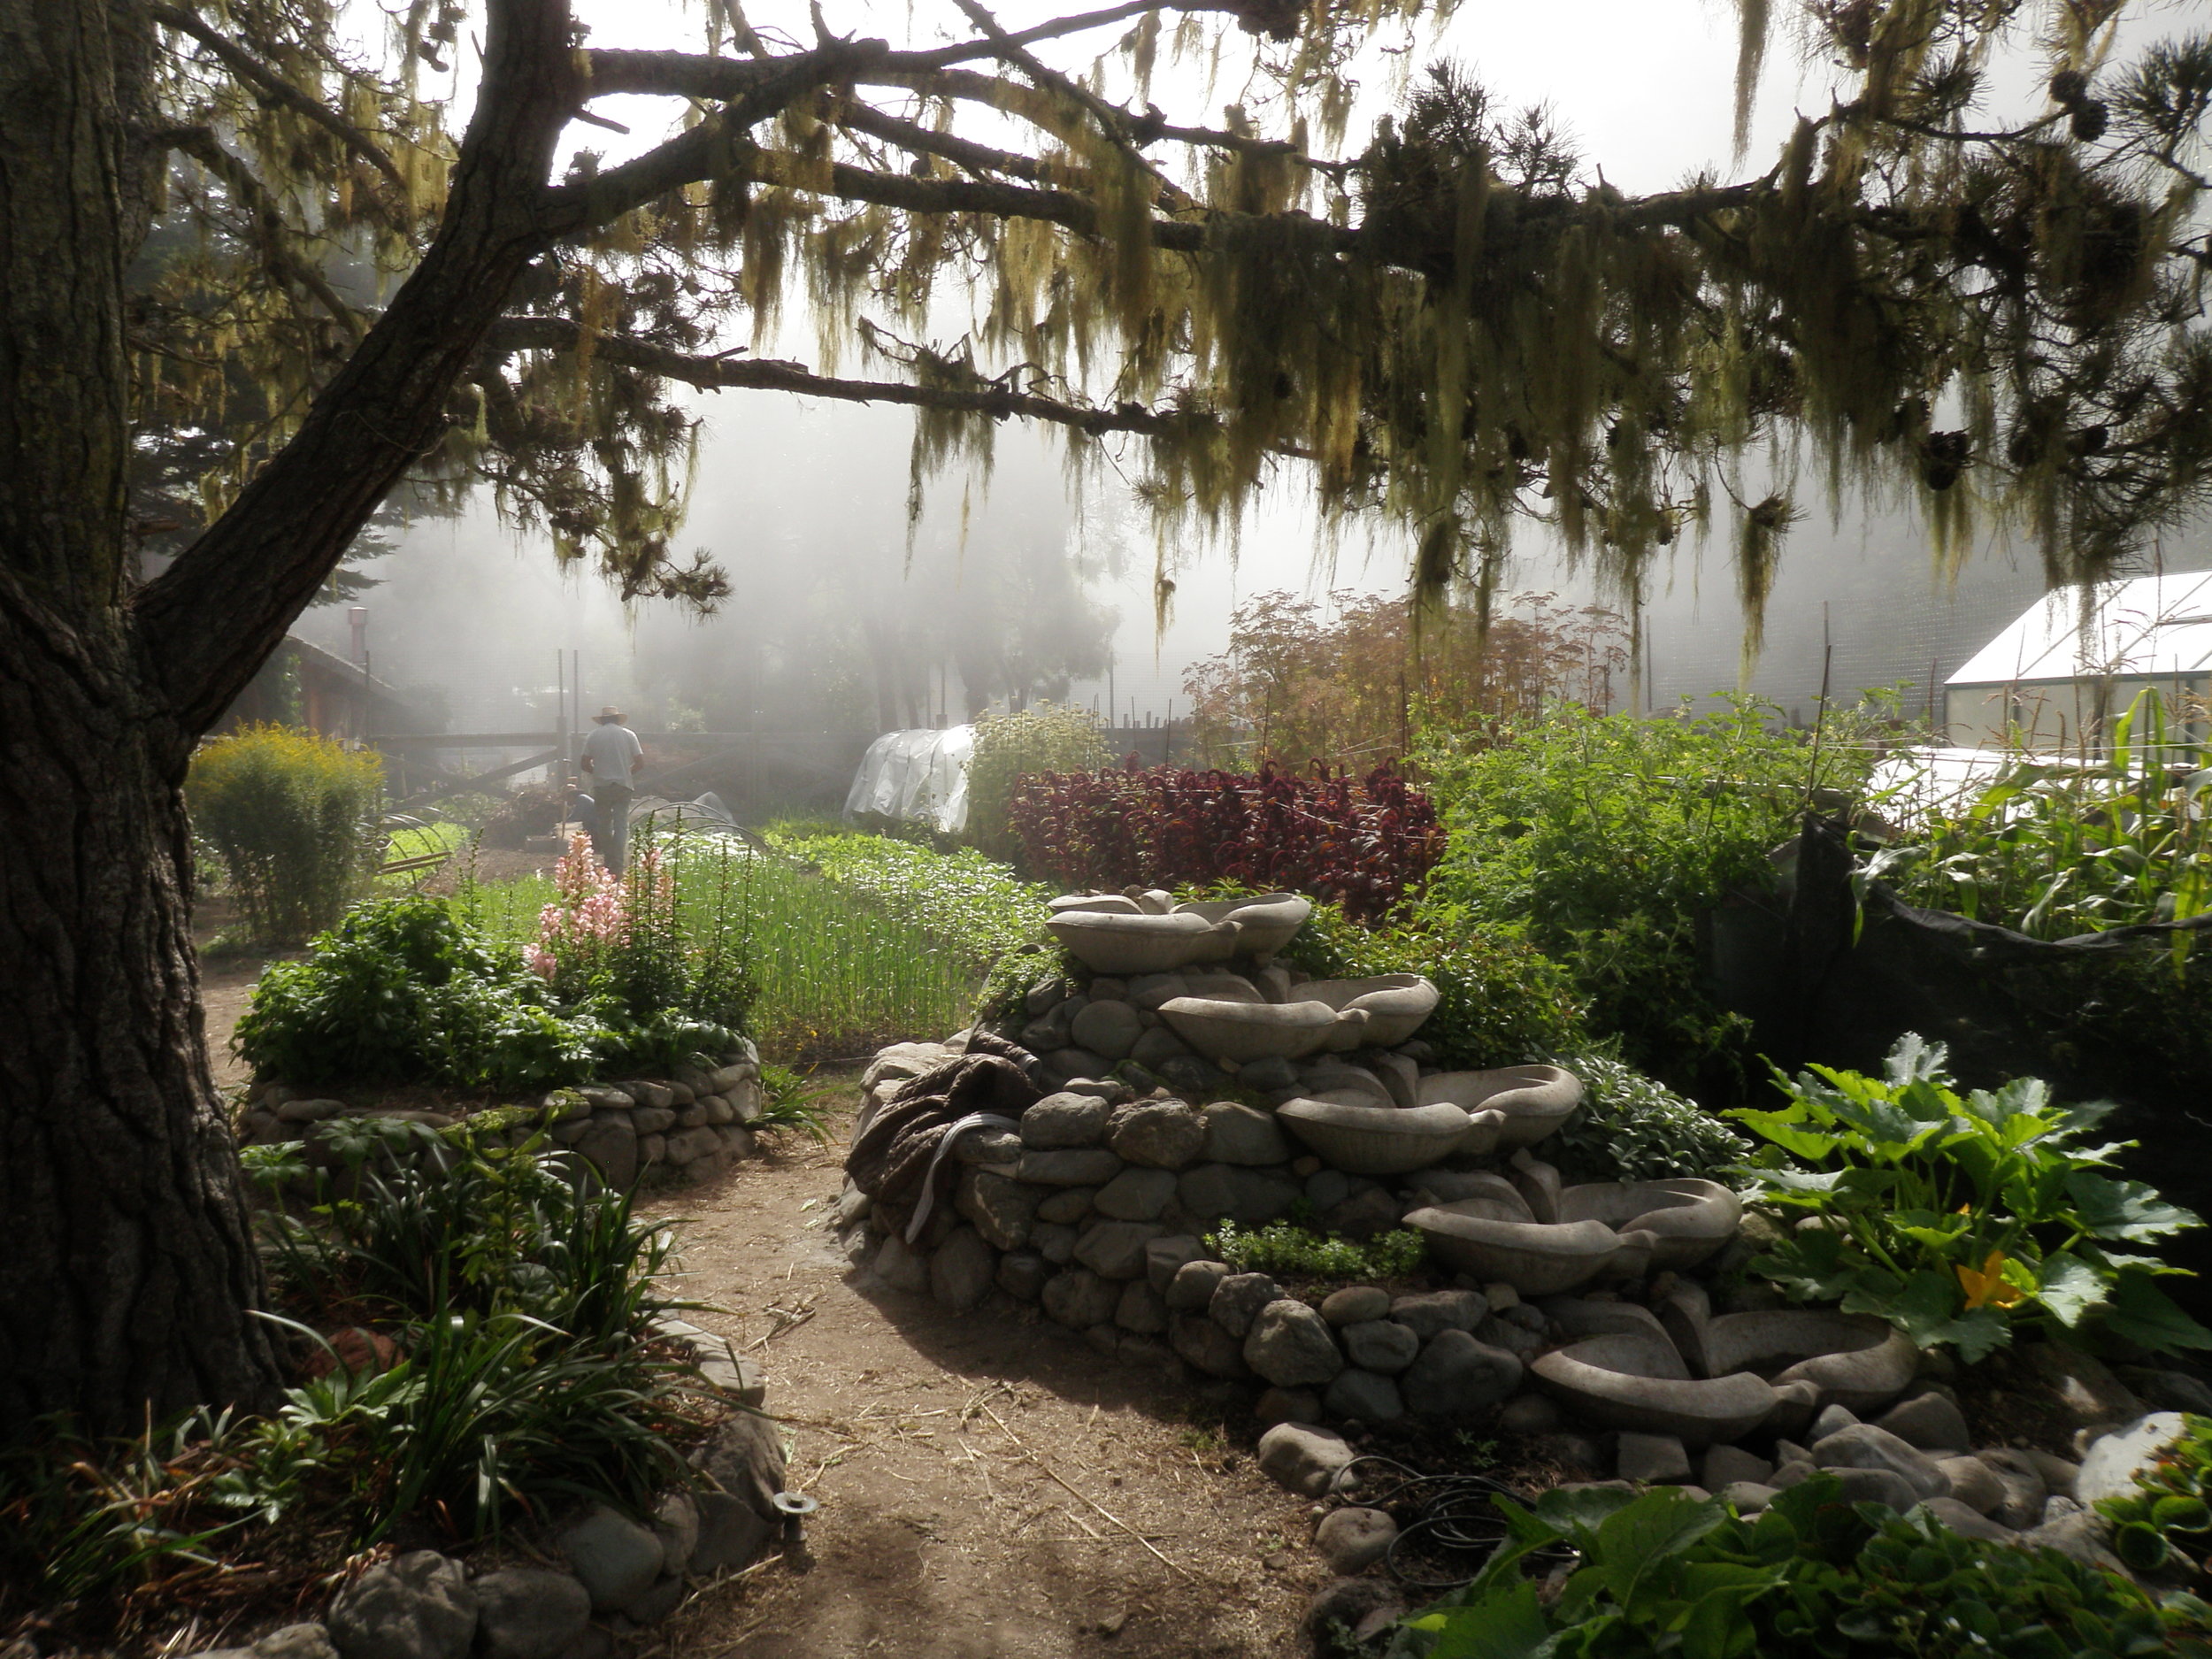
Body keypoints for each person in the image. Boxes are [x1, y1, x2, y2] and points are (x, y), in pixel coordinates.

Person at [580, 705, 644, 871]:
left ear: (602, 720)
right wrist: (626, 773)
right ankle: (619, 860)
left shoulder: (593, 736)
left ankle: (608, 858)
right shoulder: (629, 735)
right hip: (623, 785)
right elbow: (640, 762)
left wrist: (597, 772)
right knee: (621, 823)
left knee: (604, 824)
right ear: (617, 719)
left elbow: (584, 763)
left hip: (602, 785)